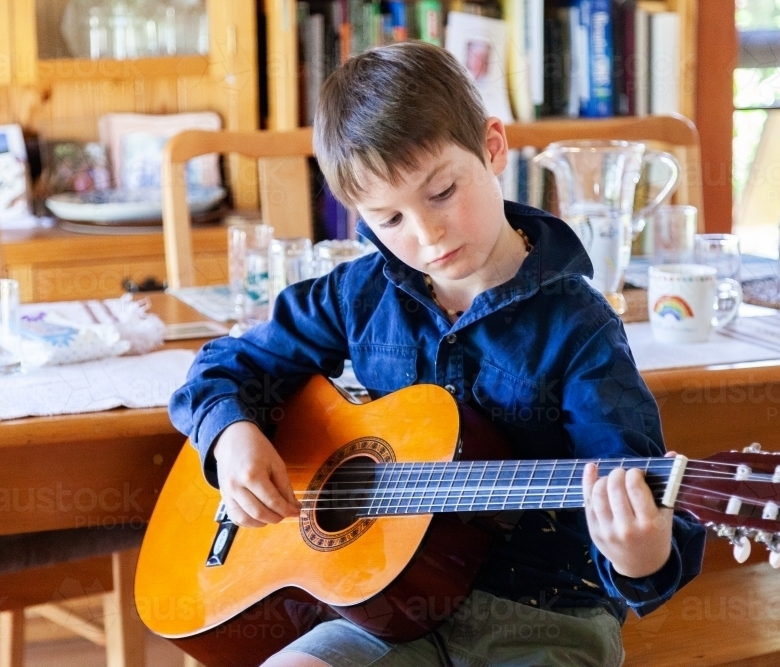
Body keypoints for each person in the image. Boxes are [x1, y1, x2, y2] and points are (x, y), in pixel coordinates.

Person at [169, 40, 705, 667]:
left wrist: (641, 555)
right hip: (378, 610)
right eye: (388, 219)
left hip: (542, 615)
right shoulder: (360, 293)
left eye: (442, 191)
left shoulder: (579, 328)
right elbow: (224, 367)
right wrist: (232, 436)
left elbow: (631, 490)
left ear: (494, 147)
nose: (427, 235)